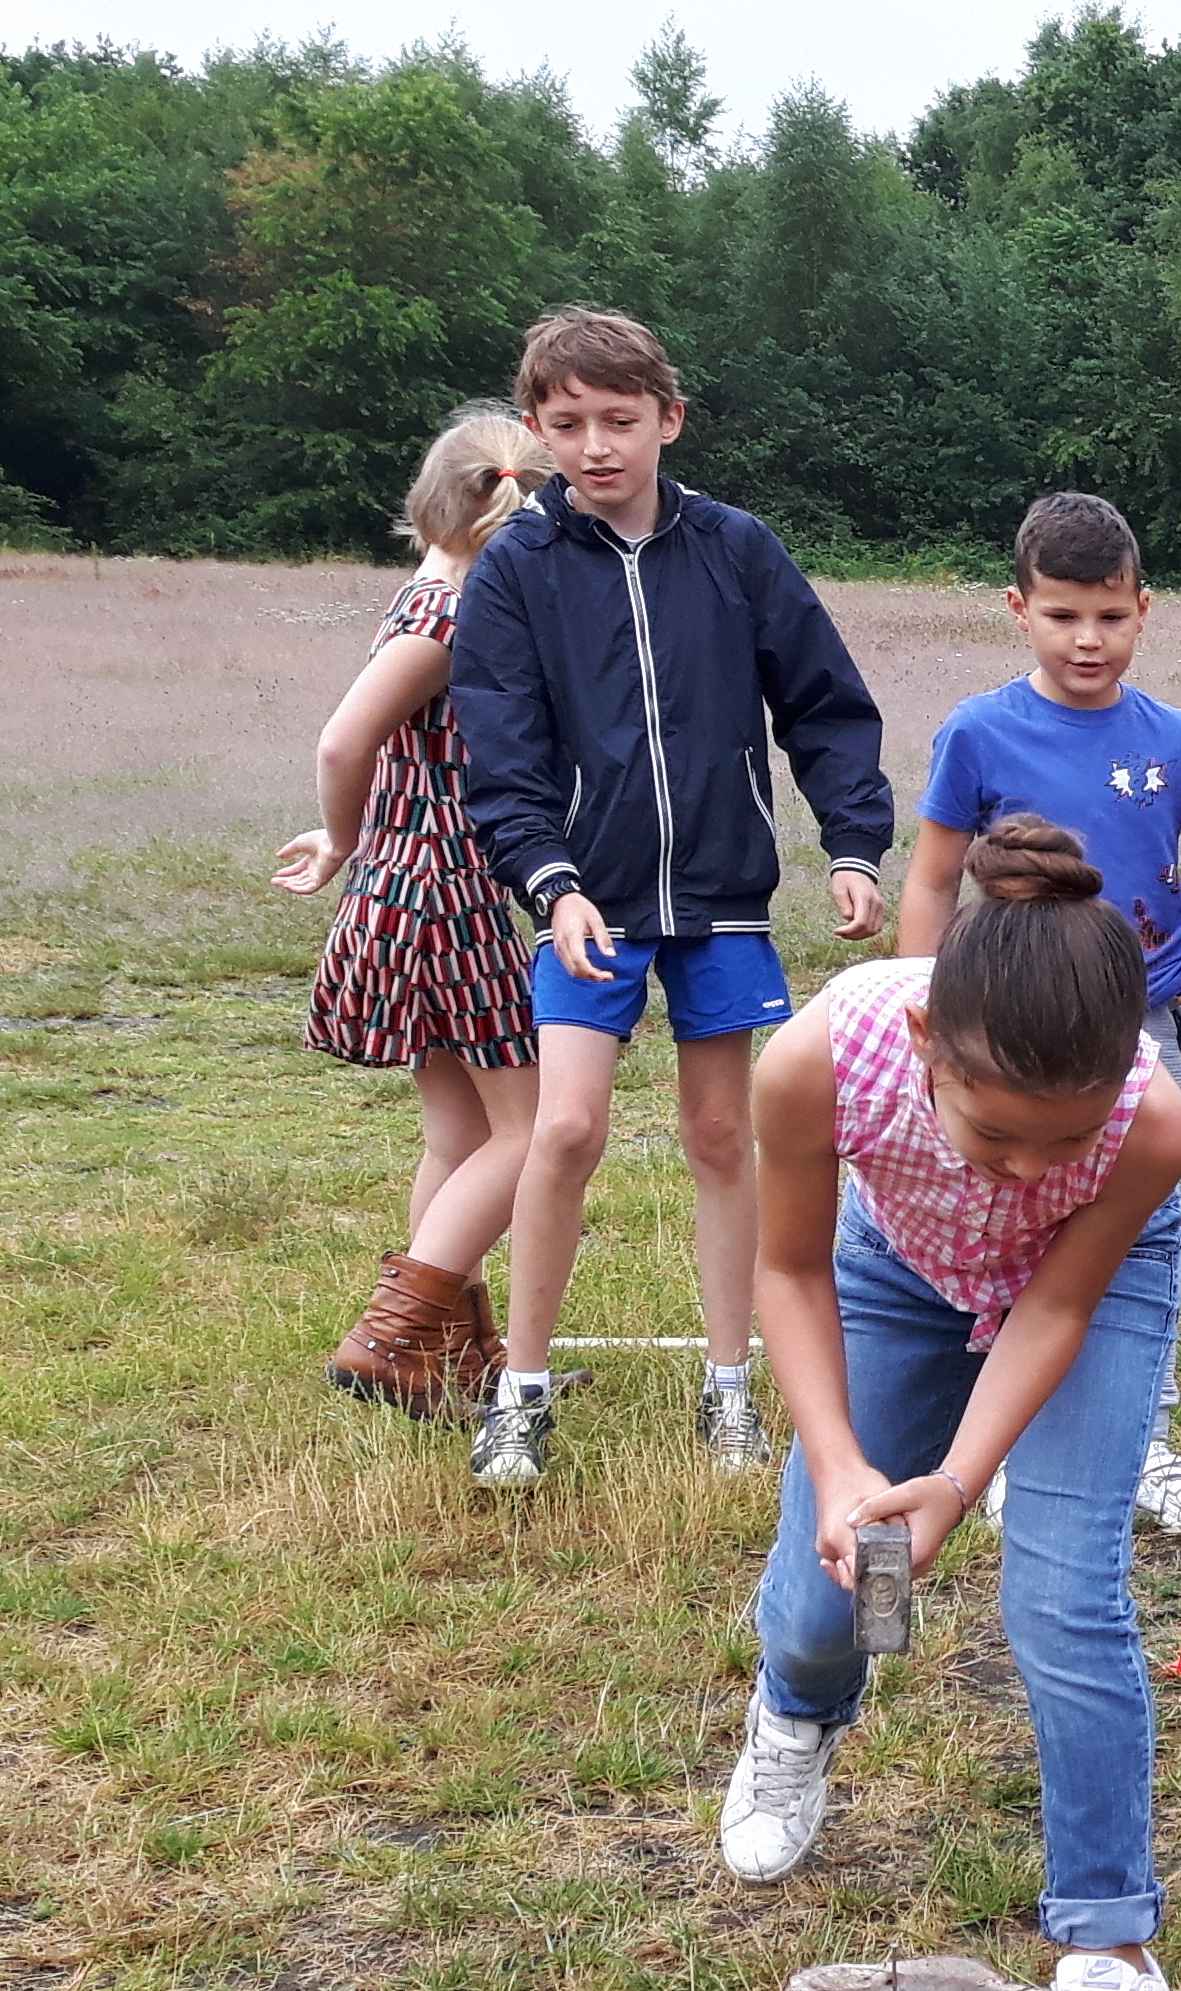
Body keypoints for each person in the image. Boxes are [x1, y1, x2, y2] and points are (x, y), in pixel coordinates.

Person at [717, 818, 1181, 1991]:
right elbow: (791, 1272)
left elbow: (1050, 1311)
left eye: (1068, 1137)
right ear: (927, 1049)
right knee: (829, 1596)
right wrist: (845, 1469)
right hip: (890, 1270)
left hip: (1080, 1295)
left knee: (1062, 1600)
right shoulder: (820, 1059)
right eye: (997, 1134)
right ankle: (797, 1713)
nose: (1036, 1170)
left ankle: (1110, 1950)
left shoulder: (1151, 1125)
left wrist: (963, 1478)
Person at [450, 305, 893, 1491]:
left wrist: (852, 844)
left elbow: (824, 706)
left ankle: (732, 1388)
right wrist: (549, 884)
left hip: (721, 899)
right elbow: (501, 751)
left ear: (669, 422)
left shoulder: (739, 550)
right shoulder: (514, 573)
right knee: (565, 1128)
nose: (598, 446)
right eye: (570, 424)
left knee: (719, 1133)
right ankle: (521, 1395)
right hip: (585, 903)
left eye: (621, 421)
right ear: (539, 433)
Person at [904, 493, 1181, 1536]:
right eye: (1063, 616)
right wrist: (926, 998)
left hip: (1140, 1029)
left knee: (1145, 1228)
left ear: (1144, 610)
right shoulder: (977, 733)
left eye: (1108, 615)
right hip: (1009, 1032)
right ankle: (1004, 1439)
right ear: (1019, 611)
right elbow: (929, 879)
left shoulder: (1177, 740)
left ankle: (1140, 1435)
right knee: (1016, 1216)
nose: (1088, 639)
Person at [281, 402, 560, 1420]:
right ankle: (391, 1339)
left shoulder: (424, 590)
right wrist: (342, 834)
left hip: (410, 887)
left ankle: (456, 1353)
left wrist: (362, 846)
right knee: (532, 1133)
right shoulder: (452, 618)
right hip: (449, 891)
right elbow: (342, 741)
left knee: (458, 1135)